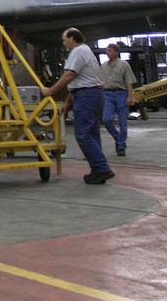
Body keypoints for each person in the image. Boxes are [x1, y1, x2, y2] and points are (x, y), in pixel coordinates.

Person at [41, 27, 113, 185]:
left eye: (64, 39)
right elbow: (78, 81)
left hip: (87, 95)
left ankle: (102, 168)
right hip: (93, 94)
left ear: (72, 38)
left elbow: (70, 75)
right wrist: (68, 102)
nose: (63, 42)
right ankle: (97, 170)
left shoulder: (78, 52)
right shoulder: (86, 51)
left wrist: (50, 91)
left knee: (83, 134)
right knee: (92, 134)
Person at [100, 43, 138, 156]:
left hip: (121, 94)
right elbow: (100, 82)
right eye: (107, 50)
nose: (108, 52)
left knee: (123, 123)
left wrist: (130, 96)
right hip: (107, 94)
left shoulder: (124, 65)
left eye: (110, 50)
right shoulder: (103, 66)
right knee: (106, 119)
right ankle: (118, 138)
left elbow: (129, 82)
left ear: (116, 52)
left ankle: (121, 146)